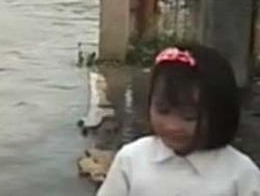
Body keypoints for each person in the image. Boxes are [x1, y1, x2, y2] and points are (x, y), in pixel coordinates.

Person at [97, 45, 260, 196]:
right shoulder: (132, 160)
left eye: (189, 116)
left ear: (220, 112)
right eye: (162, 110)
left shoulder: (241, 174)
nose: (172, 126)